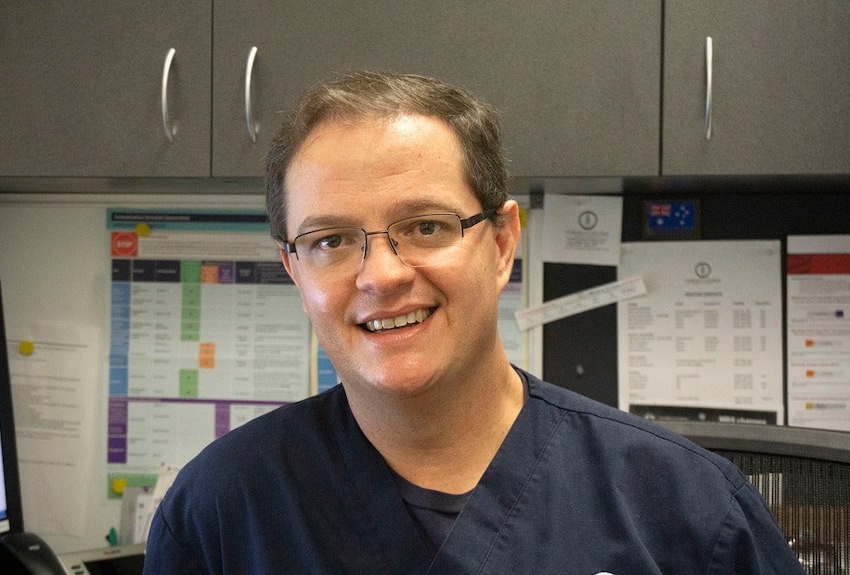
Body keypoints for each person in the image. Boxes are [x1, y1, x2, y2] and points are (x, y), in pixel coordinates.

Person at [143, 71, 804, 574]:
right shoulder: (221, 512)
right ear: (294, 269)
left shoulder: (688, 510)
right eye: (331, 240)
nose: (380, 274)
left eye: (425, 226)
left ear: (501, 242)